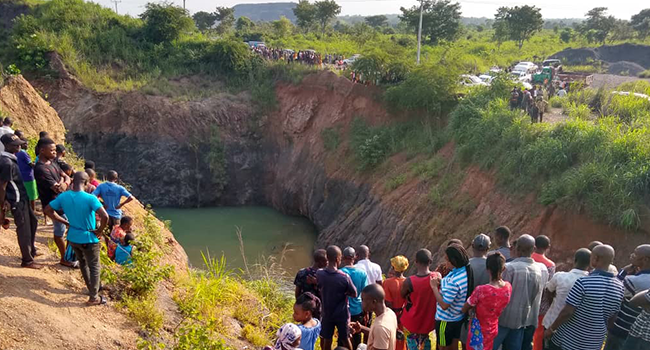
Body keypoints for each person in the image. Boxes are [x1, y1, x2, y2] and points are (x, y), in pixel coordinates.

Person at [44, 171, 109, 305]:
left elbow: (47, 210)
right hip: (89, 238)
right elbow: (105, 216)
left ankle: (91, 289)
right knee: (95, 266)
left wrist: (65, 222)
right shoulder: (90, 198)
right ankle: (93, 297)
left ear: (72, 182)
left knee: (83, 263)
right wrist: (100, 230)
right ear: (86, 183)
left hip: (73, 237)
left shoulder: (64, 196)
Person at [545, 245, 624, 350]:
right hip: (594, 343)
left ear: (595, 259)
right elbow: (612, 318)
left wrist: (551, 329)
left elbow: (567, 312)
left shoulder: (584, 282)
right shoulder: (620, 287)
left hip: (569, 340)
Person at [493, 234, 549, 350]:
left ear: (517, 249)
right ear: (533, 249)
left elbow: (500, 294)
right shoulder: (543, 269)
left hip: (505, 319)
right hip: (528, 319)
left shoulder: (509, 268)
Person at [0, 134, 41, 269]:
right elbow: (2, 186)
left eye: (19, 143)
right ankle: (27, 260)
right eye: (15, 144)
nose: (18, 146)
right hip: (17, 200)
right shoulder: (6, 162)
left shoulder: (12, 158)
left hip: (23, 198)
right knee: (24, 229)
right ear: (6, 146)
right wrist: (3, 206)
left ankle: (31, 251)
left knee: (33, 221)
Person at [34, 137, 73, 267]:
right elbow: (58, 187)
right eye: (51, 150)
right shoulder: (40, 169)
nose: (54, 152)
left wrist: (64, 182)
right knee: (60, 231)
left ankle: (67, 256)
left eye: (55, 150)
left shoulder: (53, 162)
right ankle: (64, 258)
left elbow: (66, 177)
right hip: (53, 204)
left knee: (67, 230)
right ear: (42, 150)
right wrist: (64, 182)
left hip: (63, 202)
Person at [462, 252, 512, 350]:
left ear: (487, 269)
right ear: (504, 269)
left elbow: (464, 308)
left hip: (477, 330)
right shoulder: (508, 287)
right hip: (493, 328)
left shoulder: (481, 290)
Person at [604, 244, 650, 350]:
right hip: (639, 333)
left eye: (635, 254)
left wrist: (623, 271)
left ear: (645, 259)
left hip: (621, 329)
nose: (631, 256)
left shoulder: (633, 280)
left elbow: (611, 287)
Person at [430, 244, 473, 350]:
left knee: (443, 347)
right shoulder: (464, 271)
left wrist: (434, 287)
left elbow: (444, 305)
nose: (445, 263)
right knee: (454, 345)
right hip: (457, 318)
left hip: (445, 320)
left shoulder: (454, 281)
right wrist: (442, 282)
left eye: (447, 260)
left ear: (454, 261)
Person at [317, 245, 357, 350]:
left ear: (327, 257)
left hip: (326, 313)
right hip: (341, 314)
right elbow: (354, 293)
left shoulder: (320, 273)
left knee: (327, 339)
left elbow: (319, 285)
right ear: (337, 259)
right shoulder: (344, 277)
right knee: (345, 338)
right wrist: (344, 292)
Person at [542, 249, 591, 333]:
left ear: (574, 260)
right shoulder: (591, 282)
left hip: (552, 321)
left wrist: (553, 302)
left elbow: (548, 291)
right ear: (590, 263)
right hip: (574, 330)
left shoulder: (560, 277)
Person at [401, 249, 441, 350]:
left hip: (412, 321)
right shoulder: (437, 277)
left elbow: (402, 295)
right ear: (430, 262)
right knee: (426, 343)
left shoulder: (409, 281)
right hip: (429, 322)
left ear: (416, 262)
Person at [351, 284, 398, 350]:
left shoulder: (380, 327)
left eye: (363, 300)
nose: (361, 303)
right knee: (361, 346)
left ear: (373, 302)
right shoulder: (389, 313)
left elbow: (380, 331)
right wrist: (361, 328)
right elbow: (380, 335)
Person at [340, 247, 369, 350]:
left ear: (343, 258)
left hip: (343, 311)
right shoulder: (362, 273)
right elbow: (365, 294)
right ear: (355, 257)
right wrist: (365, 312)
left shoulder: (340, 273)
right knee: (357, 334)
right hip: (358, 309)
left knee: (343, 336)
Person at [531, 235, 556, 350]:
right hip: (542, 304)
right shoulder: (550, 265)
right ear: (548, 247)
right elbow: (549, 286)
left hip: (526, 302)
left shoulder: (528, 258)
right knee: (538, 335)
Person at [384, 256, 408, 350]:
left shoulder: (387, 282)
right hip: (405, 316)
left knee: (391, 341)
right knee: (402, 342)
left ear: (394, 268)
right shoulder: (408, 282)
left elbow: (388, 303)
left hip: (392, 316)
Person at [14, 131, 38, 211]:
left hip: (20, 176)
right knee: (32, 195)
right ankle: (32, 211)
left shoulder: (16, 153)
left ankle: (24, 210)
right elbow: (30, 164)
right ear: (21, 145)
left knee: (23, 194)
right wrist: (38, 164)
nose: (27, 145)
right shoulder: (24, 153)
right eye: (25, 144)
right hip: (28, 176)